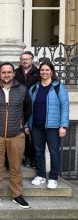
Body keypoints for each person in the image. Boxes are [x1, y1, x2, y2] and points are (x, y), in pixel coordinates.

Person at [0, 63, 32, 209]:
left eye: (9, 72)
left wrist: (20, 125)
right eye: (3, 72)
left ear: (14, 74)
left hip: (16, 135)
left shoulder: (22, 90)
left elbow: (28, 109)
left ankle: (17, 194)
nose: (6, 75)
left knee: (15, 167)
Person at [26, 61, 69, 190]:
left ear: (52, 71)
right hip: (36, 126)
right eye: (42, 70)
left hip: (53, 126)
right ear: (40, 72)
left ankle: (53, 178)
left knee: (54, 152)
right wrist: (28, 125)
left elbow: (65, 107)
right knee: (38, 152)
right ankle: (40, 175)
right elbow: (29, 108)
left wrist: (63, 126)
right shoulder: (34, 88)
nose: (44, 72)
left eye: (47, 70)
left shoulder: (58, 87)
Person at [15, 51, 39, 168]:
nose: (25, 61)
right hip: (20, 107)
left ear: (32, 59)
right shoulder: (16, 72)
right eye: (23, 59)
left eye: (27, 59)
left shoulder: (38, 73)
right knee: (23, 133)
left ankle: (34, 158)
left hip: (34, 106)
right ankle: (27, 157)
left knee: (34, 134)